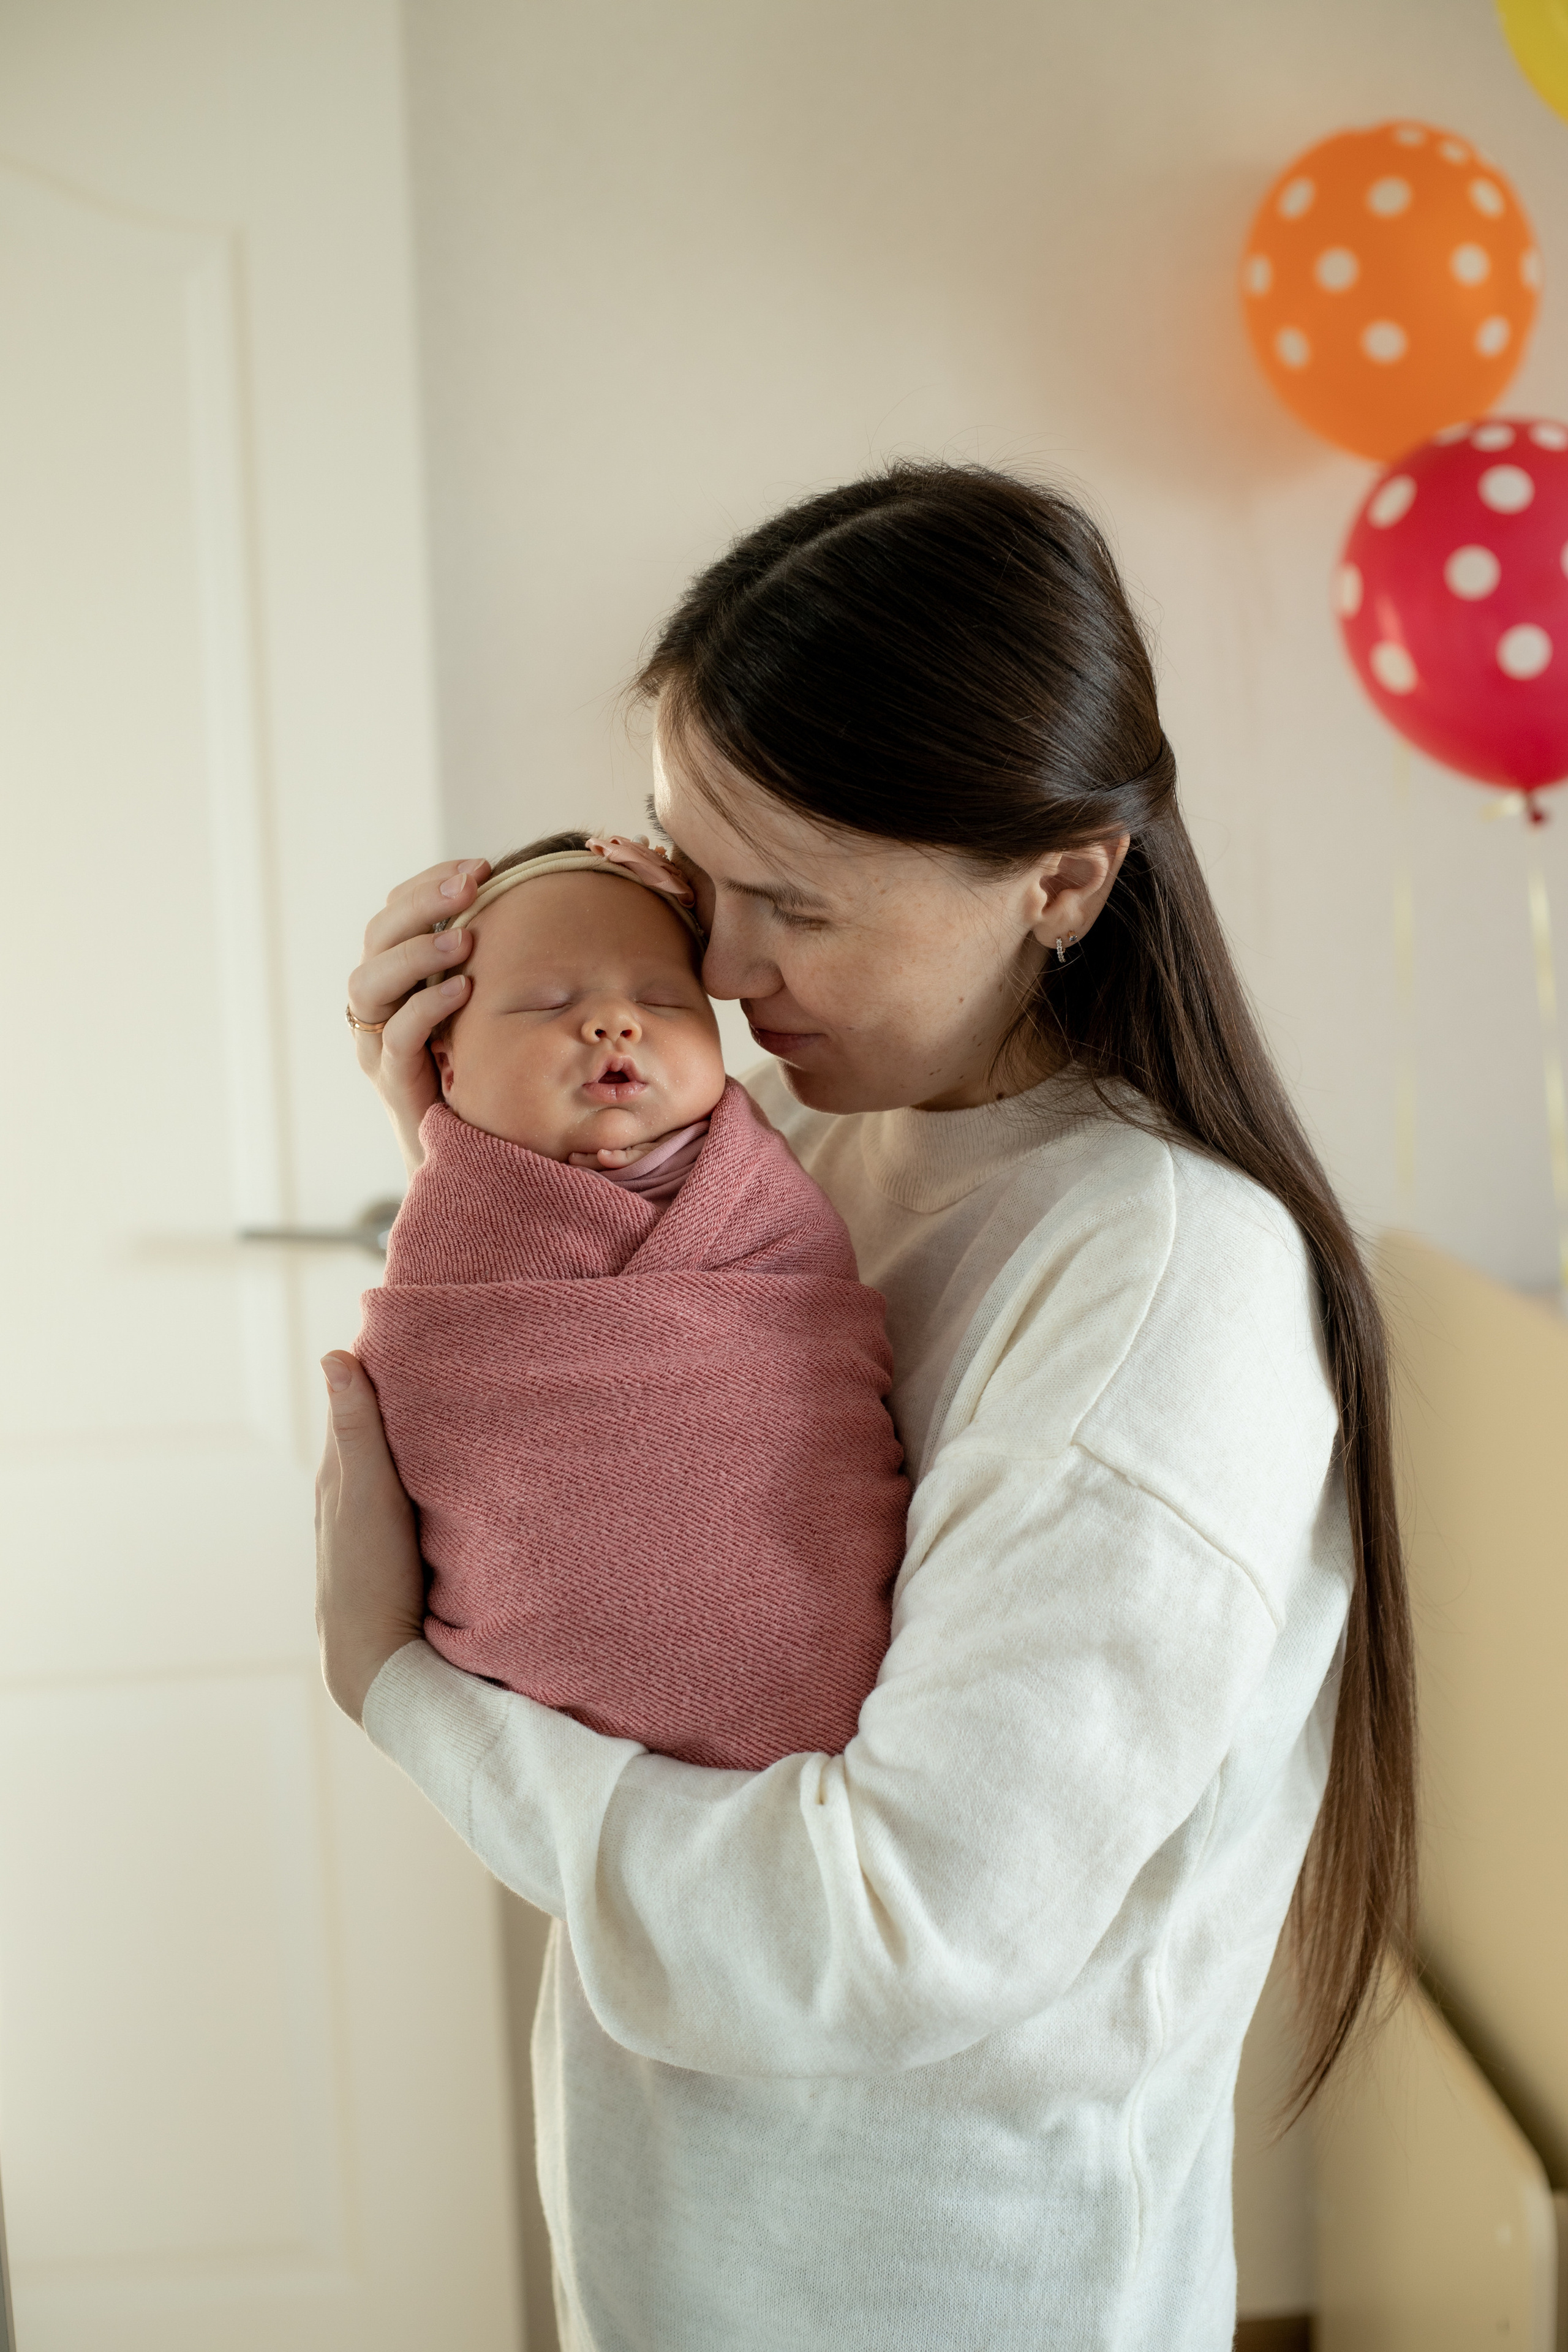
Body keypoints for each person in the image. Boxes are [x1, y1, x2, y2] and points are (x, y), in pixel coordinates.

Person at [317, 461, 1416, 2352]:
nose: (718, 978)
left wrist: (404, 1694)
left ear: (1062, 880)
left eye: (789, 907)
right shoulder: (818, 1145)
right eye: (687, 872)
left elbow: (884, 1932)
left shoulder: (1165, 1286)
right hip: (693, 2234)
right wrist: (466, 1117)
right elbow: (628, 1479)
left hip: (937, 2286)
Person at [355, 827, 905, 1770]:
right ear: (447, 1067)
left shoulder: (764, 1174)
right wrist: (452, 1153)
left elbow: (802, 1329)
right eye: (546, 1004)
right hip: (563, 1744)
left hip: (813, 1707)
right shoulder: (460, 1218)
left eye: (662, 998)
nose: (616, 1023)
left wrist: (368, 1665)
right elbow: (461, 1359)